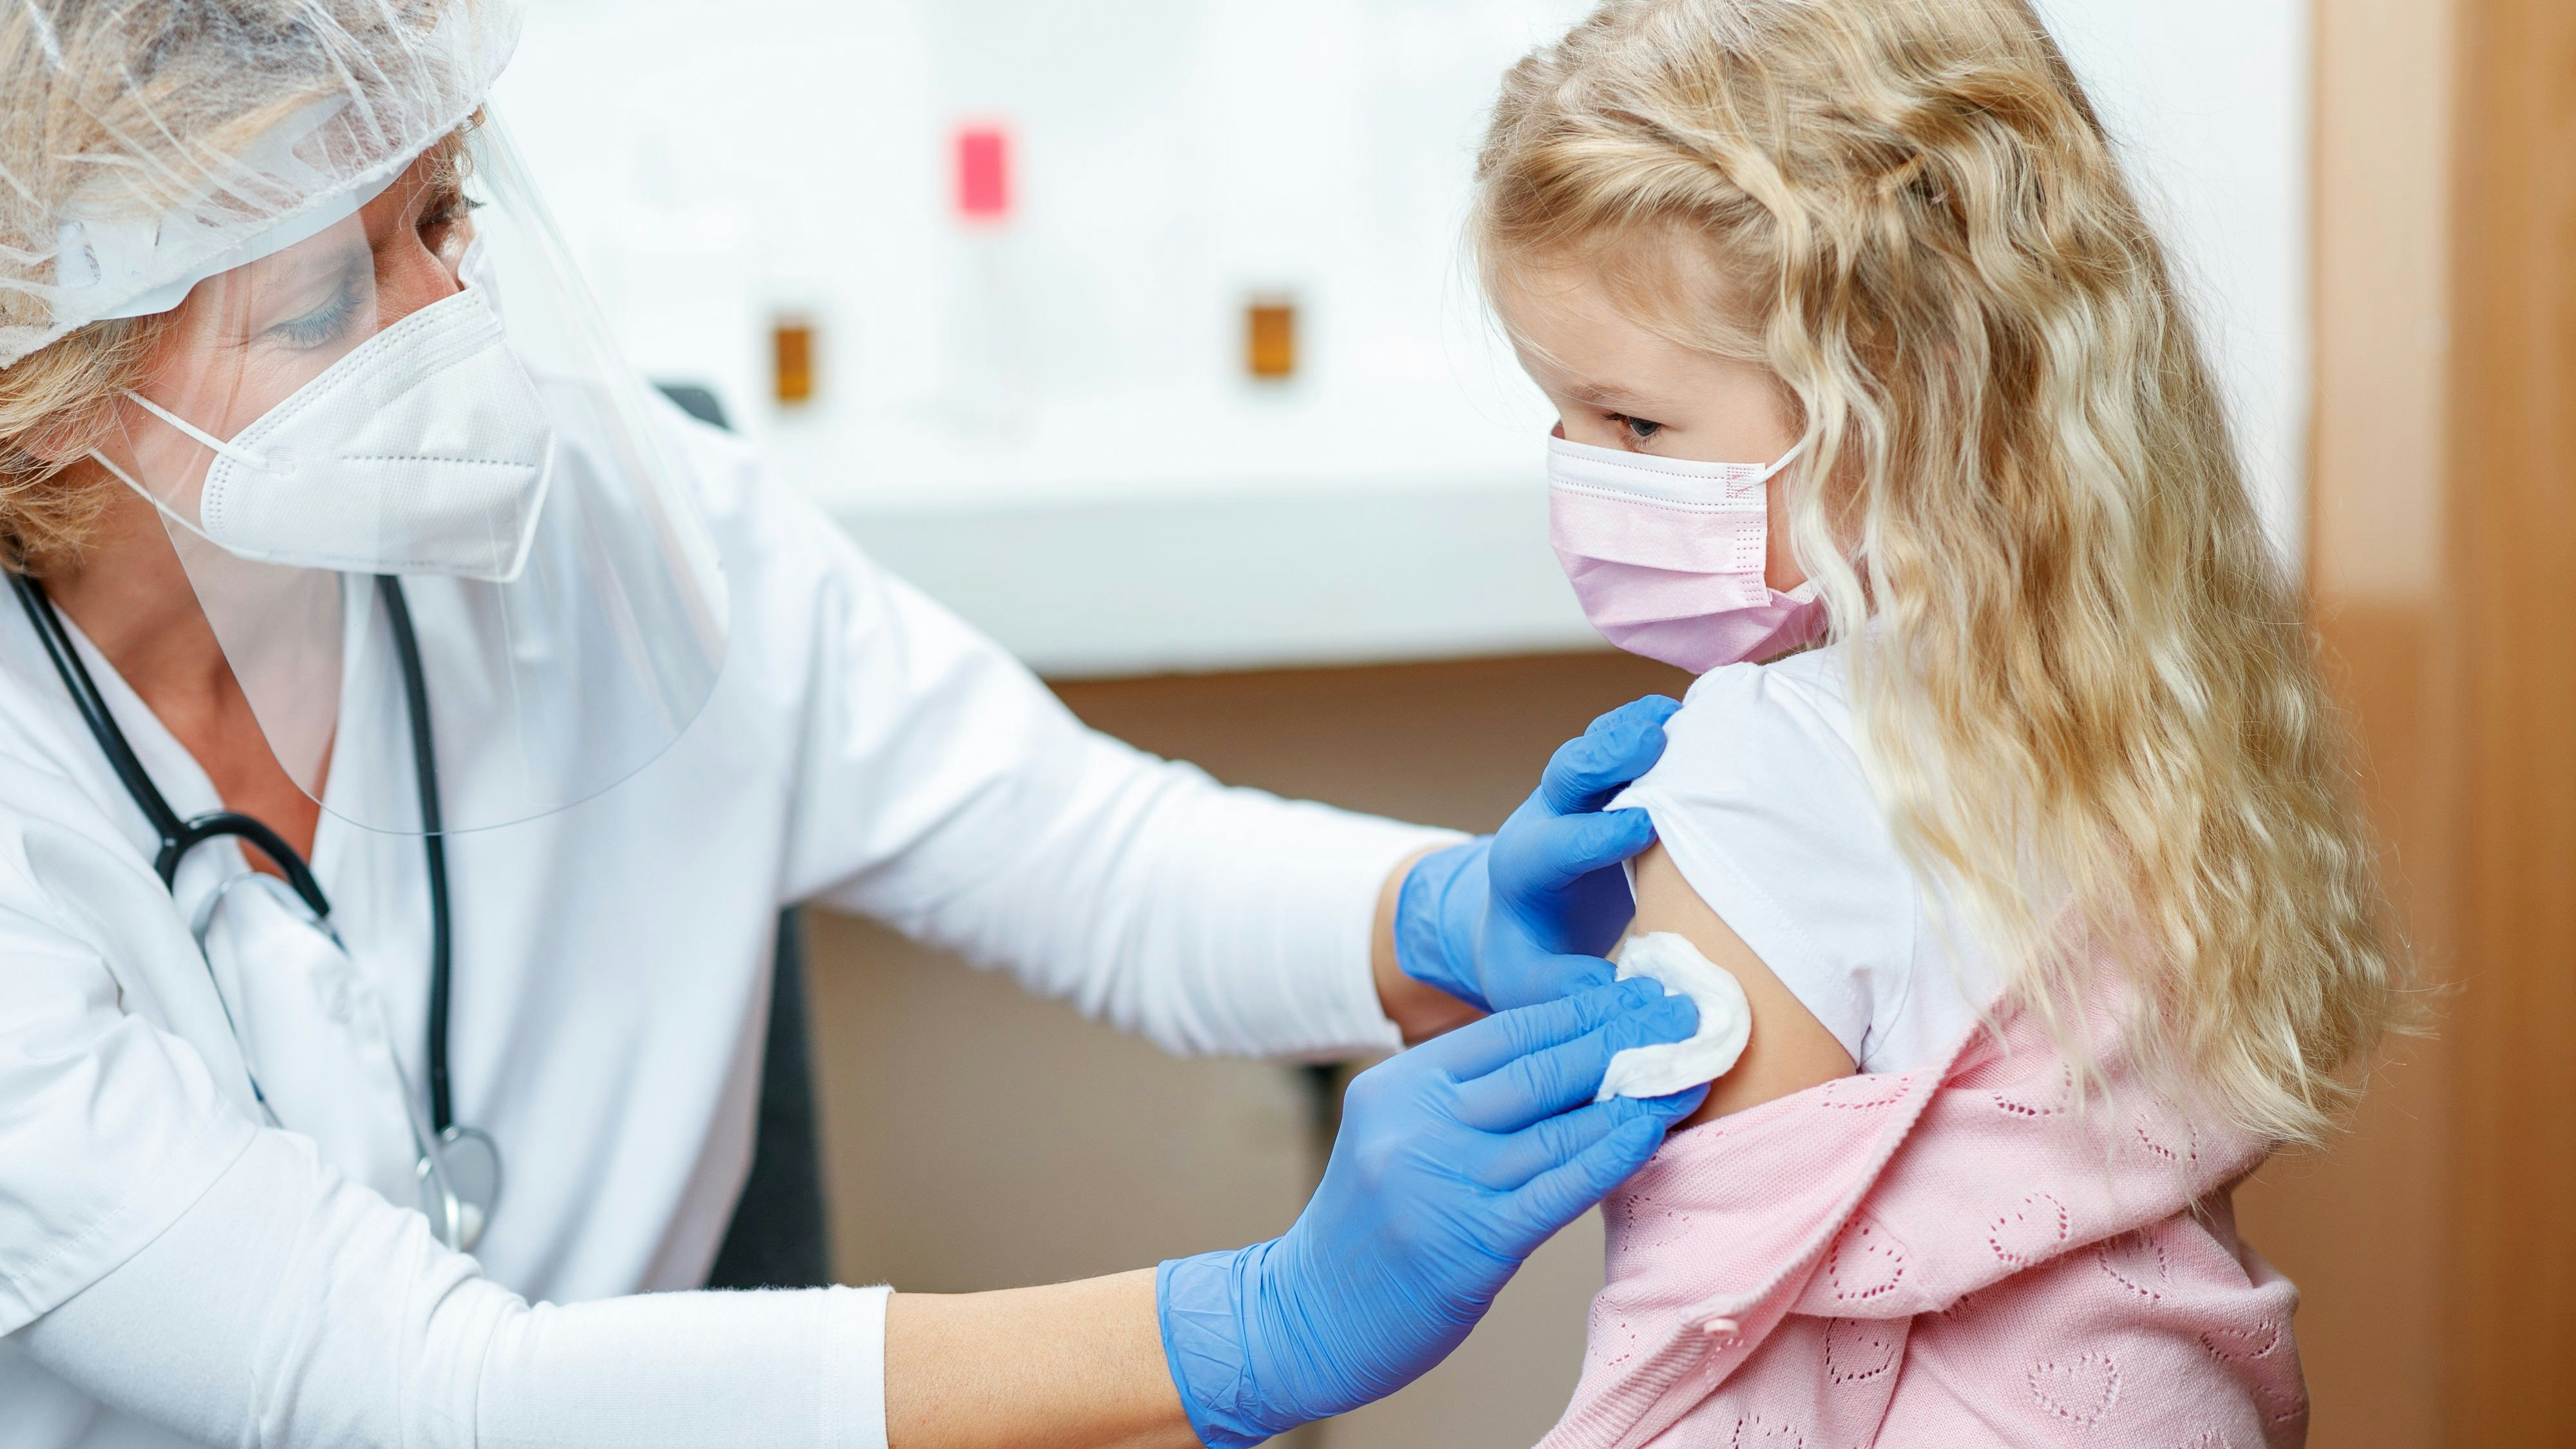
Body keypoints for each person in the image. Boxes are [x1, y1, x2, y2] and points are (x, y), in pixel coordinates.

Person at [0, 5, 1712, 1447]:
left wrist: (1430, 918)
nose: (449, 330)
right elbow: (425, 1392)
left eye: (438, 221)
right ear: (43, 379)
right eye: (320, 302)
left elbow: (1070, 844)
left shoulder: (584, 516)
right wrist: (1239, 1328)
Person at [1453, 0, 2409, 1443]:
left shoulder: (1765, 760)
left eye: (1631, 425)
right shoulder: (2147, 693)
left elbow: (1711, 1346)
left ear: (1897, 394)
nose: (1577, 477)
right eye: (1555, 417)